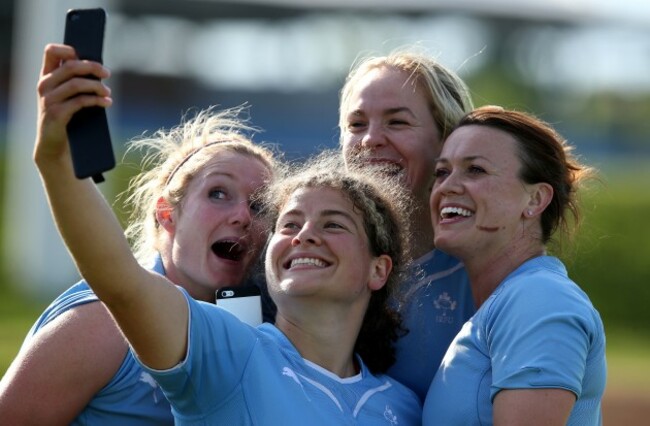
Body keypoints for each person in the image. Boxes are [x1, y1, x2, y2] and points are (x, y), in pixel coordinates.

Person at [27, 40, 422, 423]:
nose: (303, 235)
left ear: (379, 268)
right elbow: (117, 278)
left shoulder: (404, 406)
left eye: (333, 224)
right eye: (290, 223)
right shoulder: (226, 350)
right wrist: (56, 160)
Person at [0, 43, 279, 425]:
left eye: (260, 205)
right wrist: (55, 158)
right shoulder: (102, 323)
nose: (243, 215)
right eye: (218, 193)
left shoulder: (261, 328)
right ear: (167, 213)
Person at [424, 105, 606, 425]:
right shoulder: (510, 300)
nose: (446, 187)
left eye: (475, 169)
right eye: (442, 172)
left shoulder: (540, 297)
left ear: (535, 200)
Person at [338, 49, 477, 400]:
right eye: (356, 125)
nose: (370, 139)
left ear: (449, 141)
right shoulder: (307, 256)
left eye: (396, 122)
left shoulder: (487, 274)